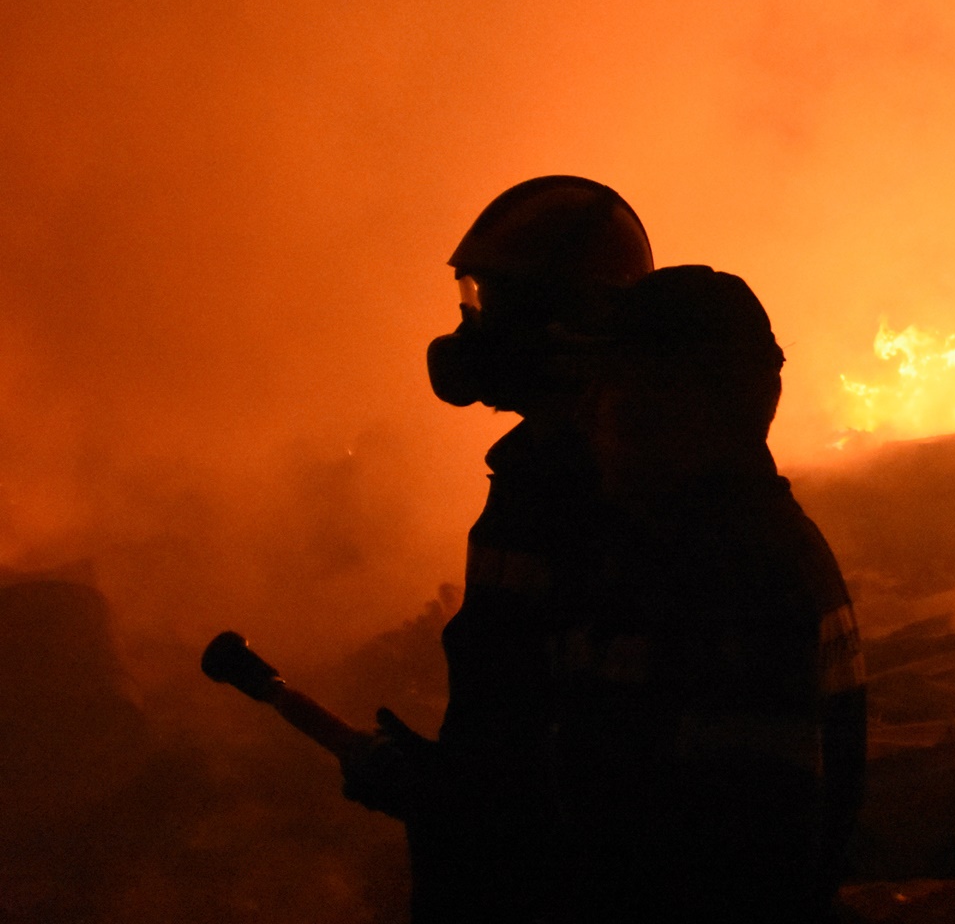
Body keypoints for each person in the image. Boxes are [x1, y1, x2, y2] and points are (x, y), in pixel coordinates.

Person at [341, 175, 654, 923]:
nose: (470, 326)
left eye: (491, 299)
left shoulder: (614, 496)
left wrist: (462, 799)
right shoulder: (536, 473)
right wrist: (449, 778)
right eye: (469, 296)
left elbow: (609, 765)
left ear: (565, 317)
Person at [553, 265, 866, 922]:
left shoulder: (738, 579)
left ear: (684, 407)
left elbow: (733, 859)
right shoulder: (706, 551)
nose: (590, 418)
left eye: (614, 392)